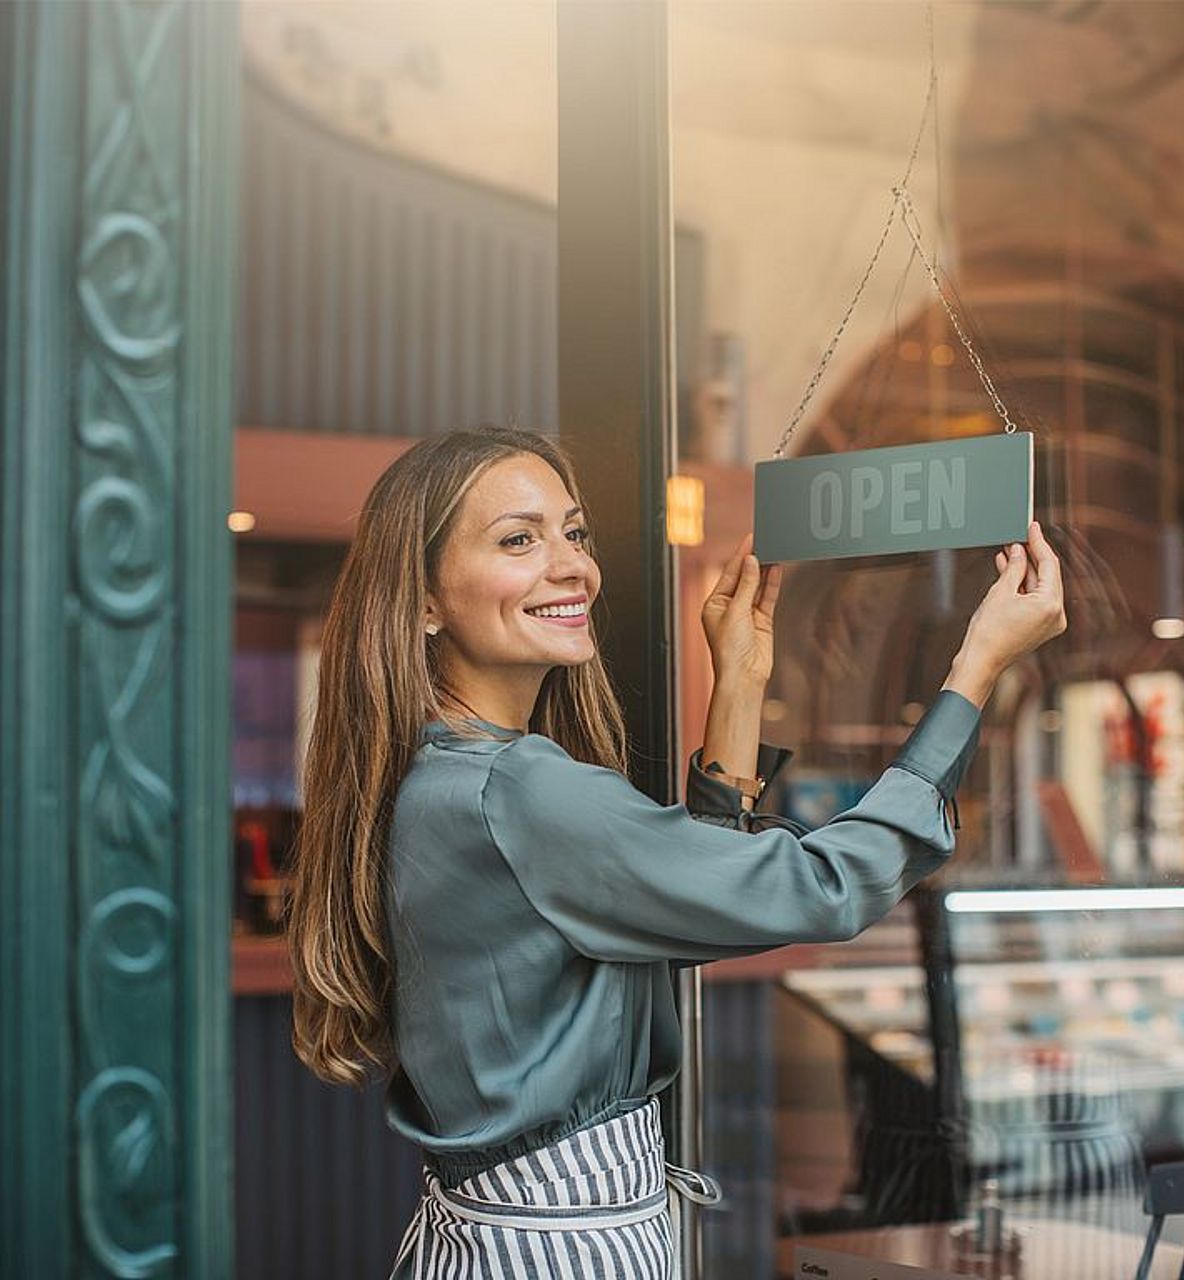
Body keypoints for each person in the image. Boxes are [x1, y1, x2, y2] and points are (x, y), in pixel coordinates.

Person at [286, 425, 1067, 1279]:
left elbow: (696, 891)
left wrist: (737, 683)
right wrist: (975, 671)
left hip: (493, 1233)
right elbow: (824, 888)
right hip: (562, 1253)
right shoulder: (521, 790)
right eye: (519, 539)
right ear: (425, 601)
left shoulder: (441, 773)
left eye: (574, 533)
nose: (572, 564)